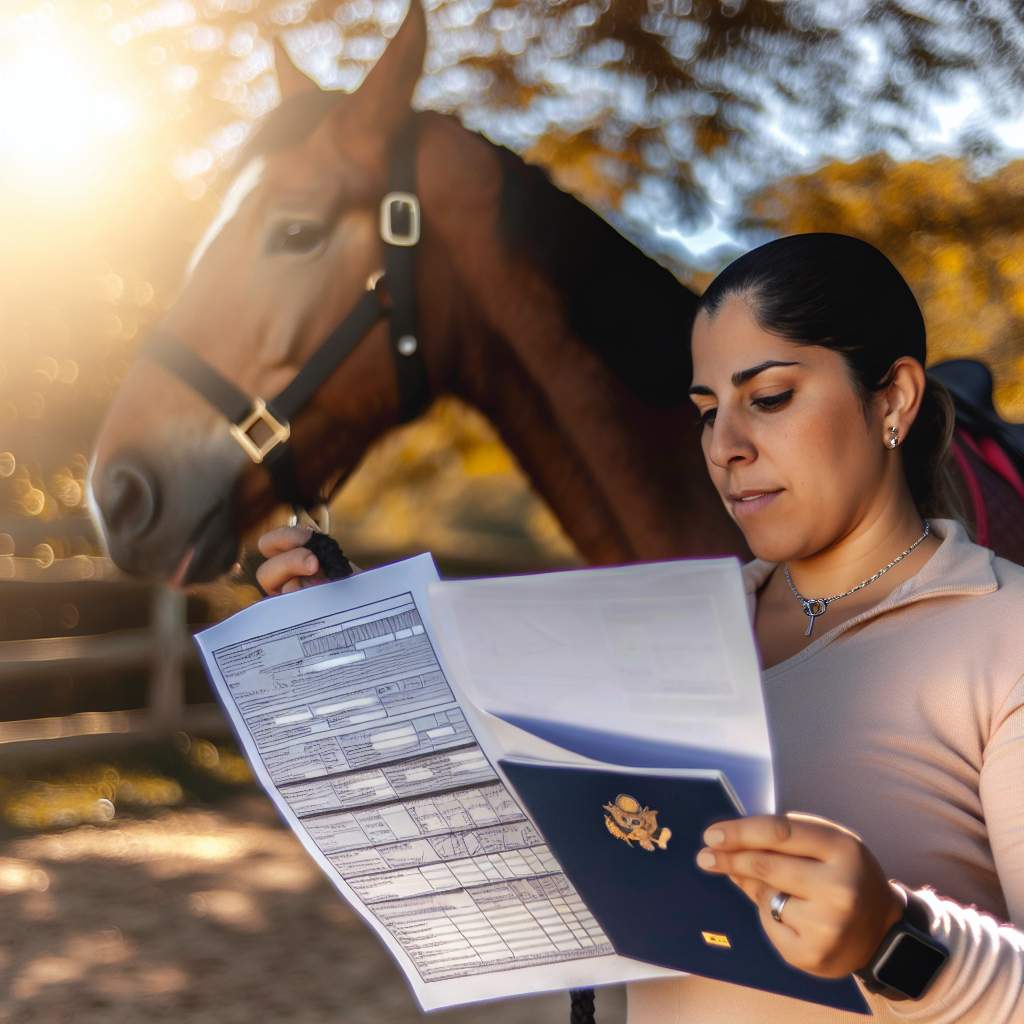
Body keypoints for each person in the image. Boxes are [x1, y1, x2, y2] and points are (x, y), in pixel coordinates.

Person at [256, 232, 1024, 1022]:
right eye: (705, 412)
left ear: (893, 398)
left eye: (768, 399)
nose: (725, 447)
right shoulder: (662, 634)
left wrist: (894, 942)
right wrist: (345, 646)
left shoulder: (1006, 634)